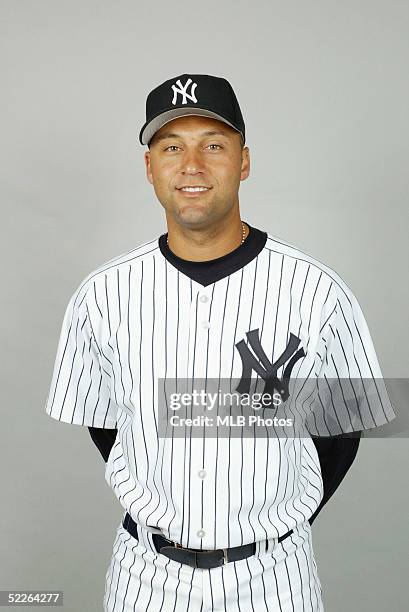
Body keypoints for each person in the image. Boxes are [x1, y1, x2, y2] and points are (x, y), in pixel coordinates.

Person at [45, 73, 396, 611]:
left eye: (213, 145)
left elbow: (343, 432)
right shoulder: (102, 295)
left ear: (244, 161)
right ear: (149, 168)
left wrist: (268, 523)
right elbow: (108, 424)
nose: (192, 166)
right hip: (146, 579)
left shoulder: (318, 291)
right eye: (171, 147)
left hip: (274, 579)